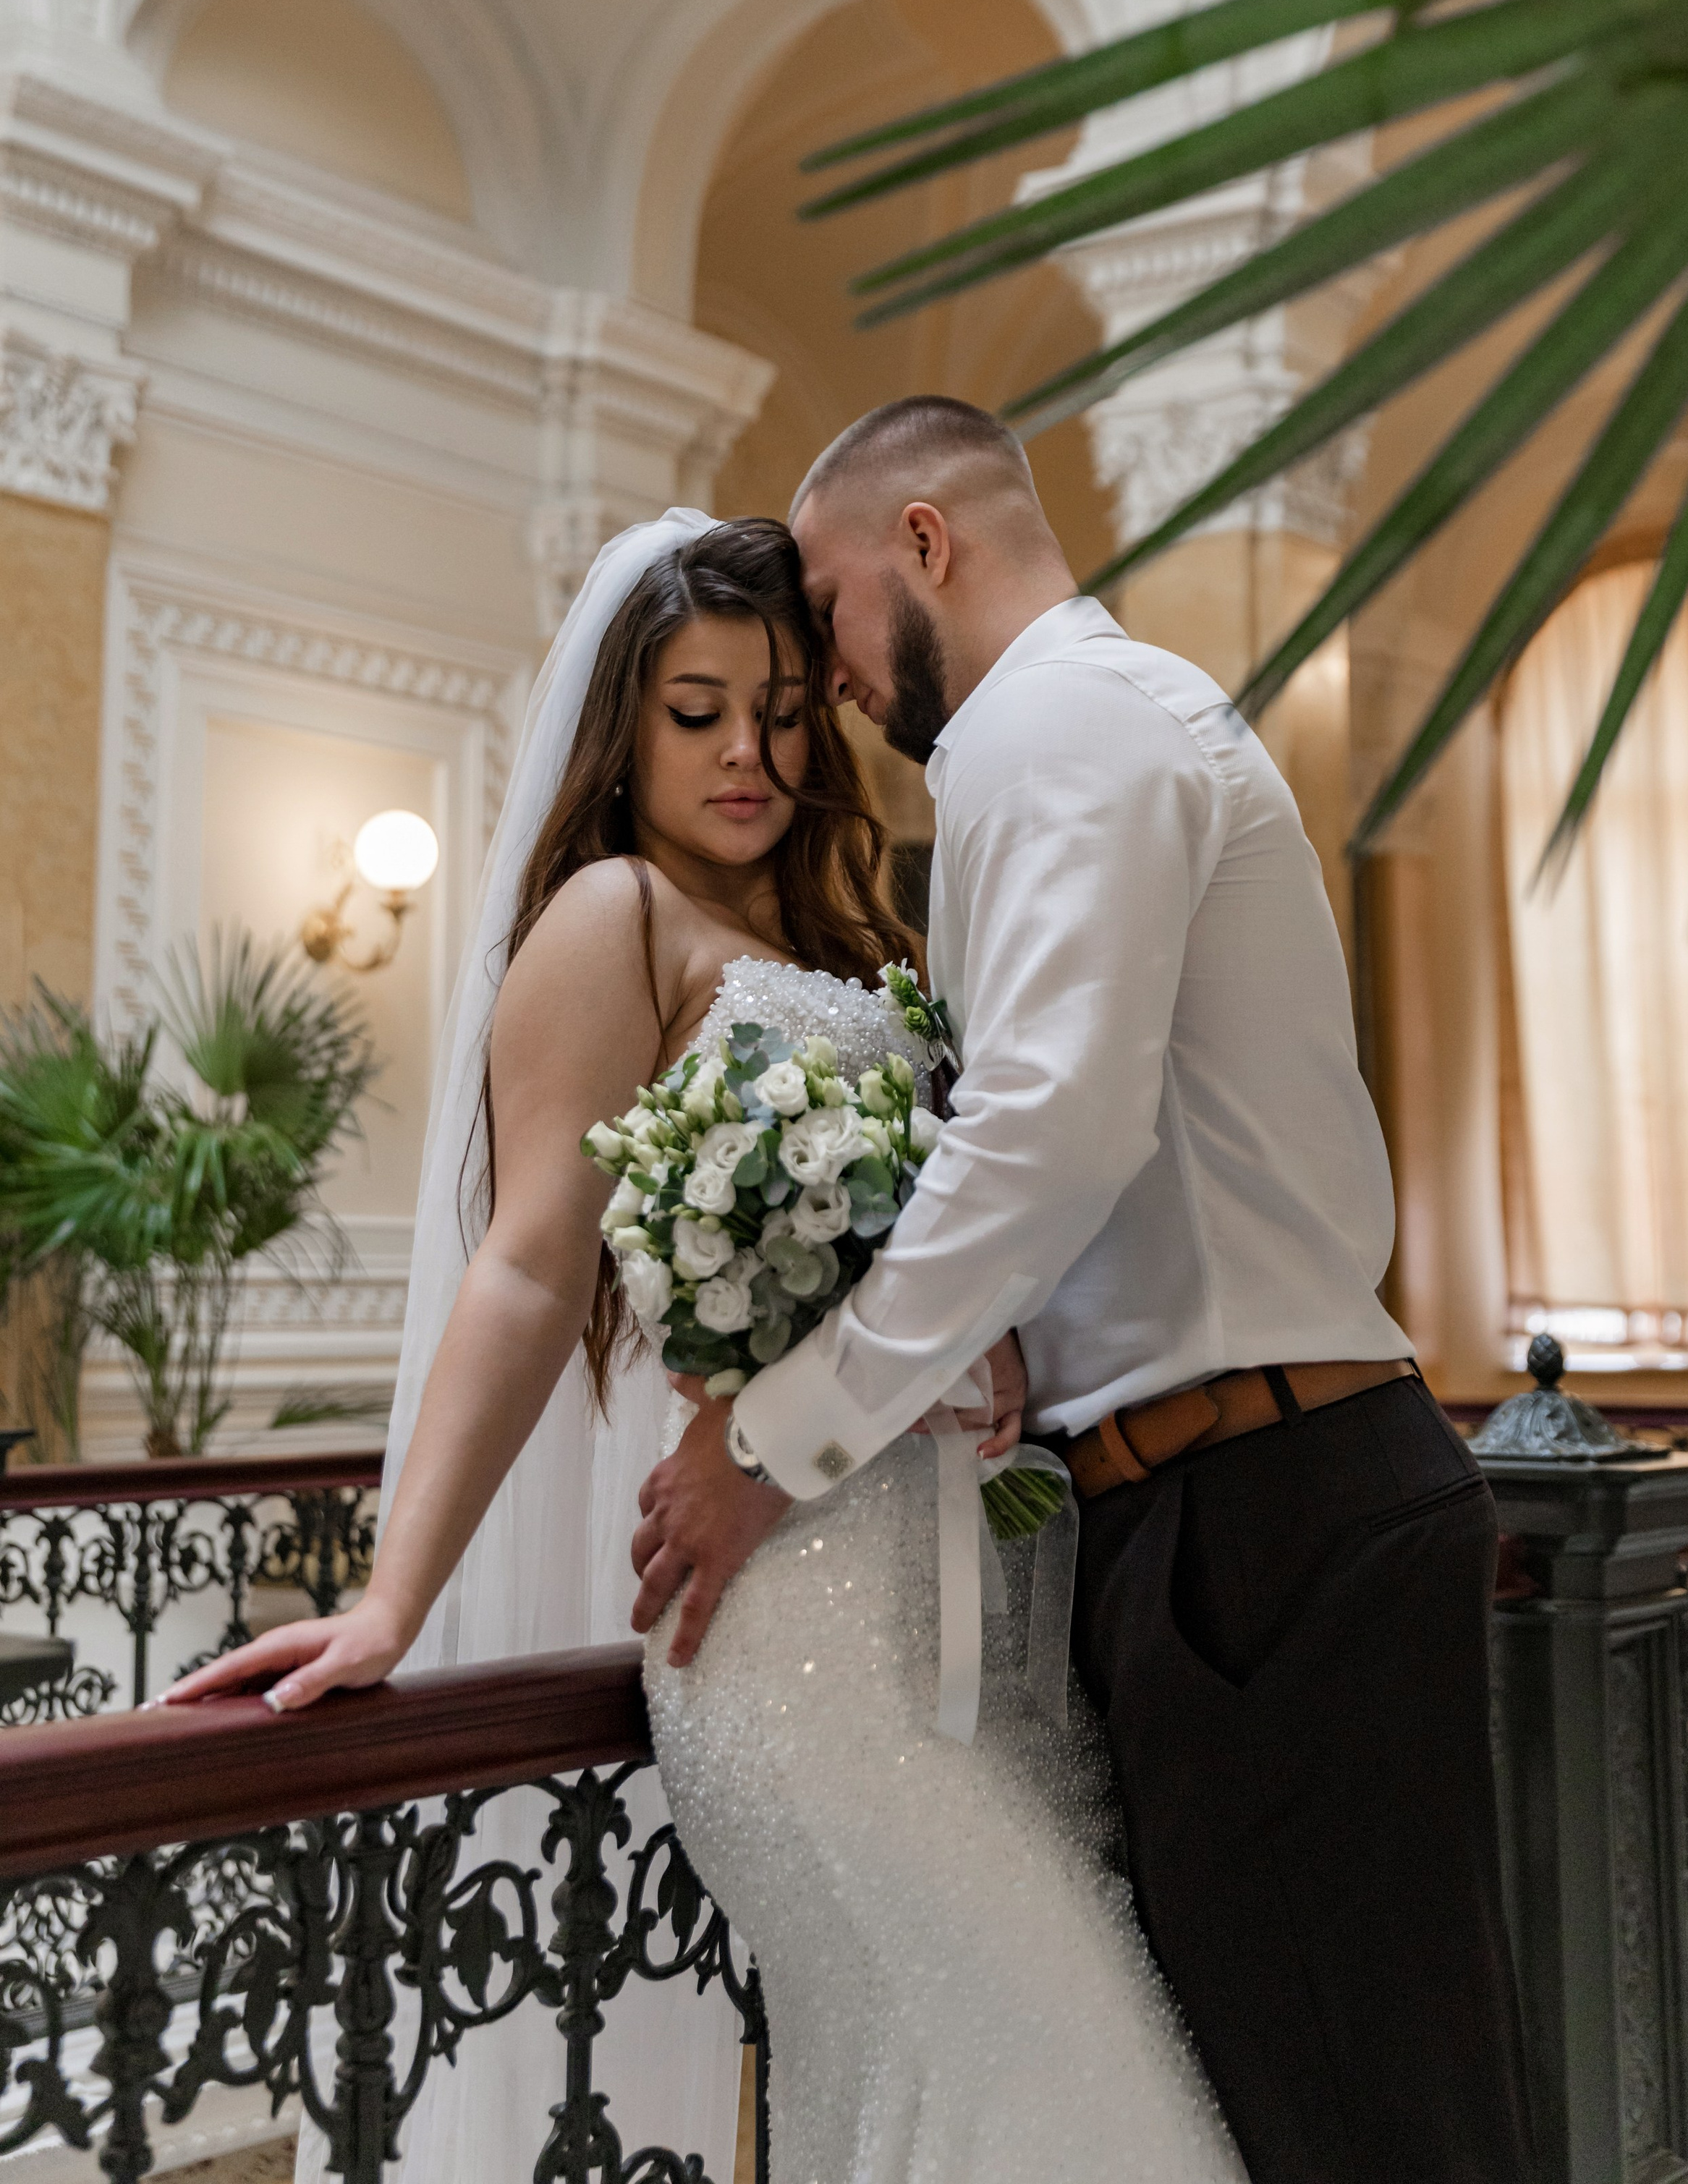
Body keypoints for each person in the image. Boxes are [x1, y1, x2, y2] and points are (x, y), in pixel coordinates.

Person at [163, 508, 1244, 2184]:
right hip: (797, 1637)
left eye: (782, 708)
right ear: (625, 729)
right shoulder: (613, 918)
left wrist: (998, 1329)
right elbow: (528, 1273)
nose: (747, 751)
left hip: (993, 1618)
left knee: (960, 2089)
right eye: (694, 712)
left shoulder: (861, 938)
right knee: (1062, 2076)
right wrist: (394, 1596)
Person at [632, 398, 1538, 2184]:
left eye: (820, 609)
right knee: (1313, 2109)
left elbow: (1047, 1130)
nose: (822, 674)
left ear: (921, 545)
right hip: (1220, 1506)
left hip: (1266, 1518)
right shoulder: (1056, 741)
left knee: (1371, 2127)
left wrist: (777, 1441)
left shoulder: (1058, 724)